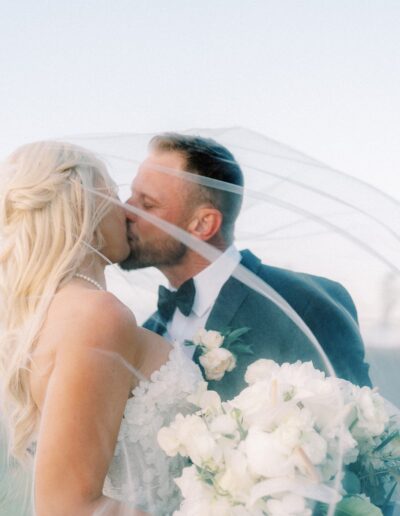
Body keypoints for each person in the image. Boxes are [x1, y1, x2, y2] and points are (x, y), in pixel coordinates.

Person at [0, 141, 202, 515]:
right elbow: (66, 507)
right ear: (84, 207)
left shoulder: (55, 314)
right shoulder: (95, 314)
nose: (126, 210)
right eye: (112, 193)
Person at [121, 133, 372, 401]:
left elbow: (356, 432)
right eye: (131, 196)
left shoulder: (306, 304)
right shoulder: (147, 332)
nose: (125, 211)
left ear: (203, 224)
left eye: (147, 204)